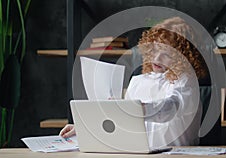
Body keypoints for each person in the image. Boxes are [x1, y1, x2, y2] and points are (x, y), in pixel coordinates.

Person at [60, 17, 207, 148]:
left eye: (166, 54)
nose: (156, 58)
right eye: (155, 50)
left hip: (178, 154)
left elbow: (172, 107)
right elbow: (123, 124)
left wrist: (137, 109)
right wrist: (86, 128)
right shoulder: (138, 81)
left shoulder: (186, 80)